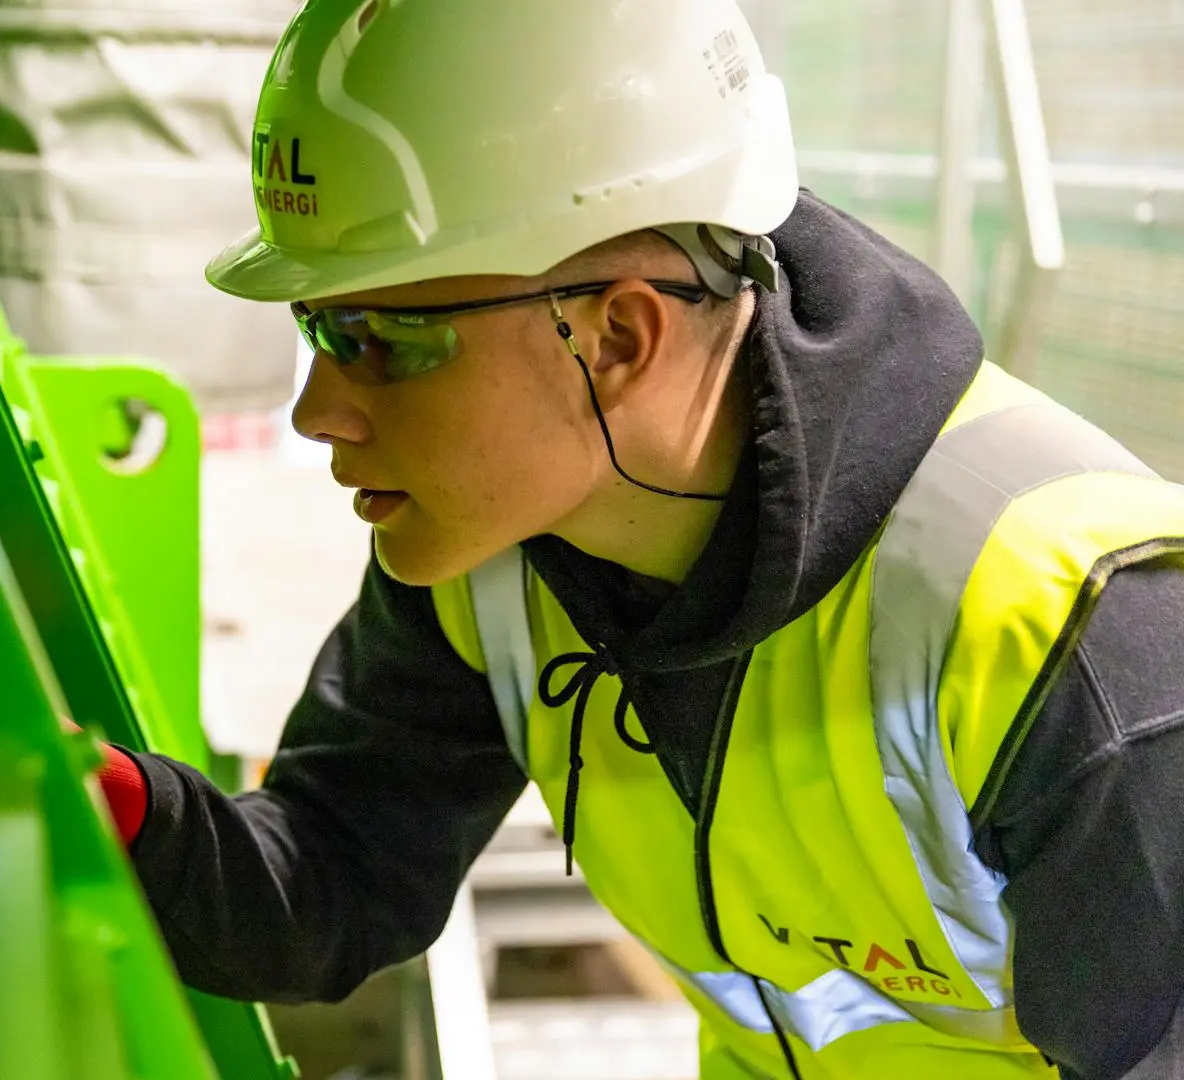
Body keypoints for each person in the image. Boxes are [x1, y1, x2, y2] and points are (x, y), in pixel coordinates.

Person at [83, 2, 1184, 1077]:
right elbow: (330, 878)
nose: (317, 410)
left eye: (381, 339)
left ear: (616, 333)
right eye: (317, 330)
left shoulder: (1064, 634)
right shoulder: (494, 565)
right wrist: (115, 817)